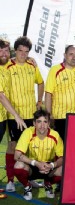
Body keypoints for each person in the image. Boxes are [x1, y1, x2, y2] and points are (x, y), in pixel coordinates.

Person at [5, 36, 44, 192]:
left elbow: (41, 83)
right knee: (13, 146)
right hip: (14, 115)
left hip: (31, 113)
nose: (23, 54)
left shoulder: (32, 65)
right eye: (20, 51)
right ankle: (10, 181)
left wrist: (39, 101)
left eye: (26, 51)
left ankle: (29, 179)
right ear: (15, 50)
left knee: (29, 148)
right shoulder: (7, 66)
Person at [14, 109, 63, 201]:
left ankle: (48, 183)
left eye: (45, 122)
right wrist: (36, 163)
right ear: (34, 123)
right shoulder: (28, 132)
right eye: (39, 122)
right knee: (18, 165)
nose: (42, 125)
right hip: (31, 165)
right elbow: (17, 155)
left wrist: (51, 165)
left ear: (49, 124)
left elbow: (62, 158)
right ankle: (27, 186)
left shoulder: (55, 135)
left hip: (48, 167)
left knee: (64, 168)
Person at [45, 45, 75, 142]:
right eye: (71, 54)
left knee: (73, 147)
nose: (74, 57)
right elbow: (48, 93)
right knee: (59, 149)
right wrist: (49, 116)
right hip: (59, 117)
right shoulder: (55, 70)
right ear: (65, 55)